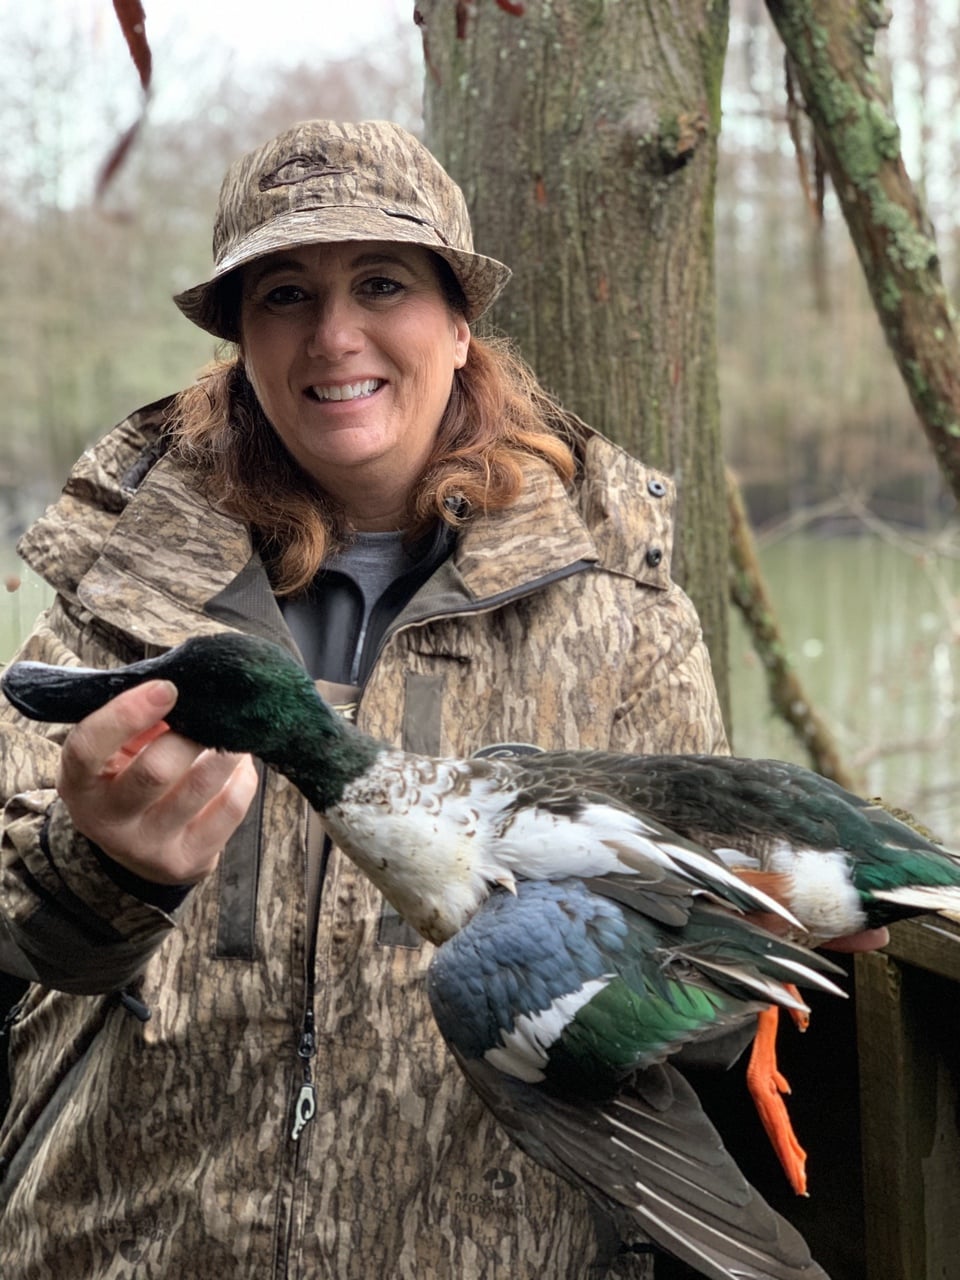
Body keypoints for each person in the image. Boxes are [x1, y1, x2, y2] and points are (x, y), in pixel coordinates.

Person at [0, 119, 880, 1280]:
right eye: (283, 295)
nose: (335, 334)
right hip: (126, 1243)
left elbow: (698, 982)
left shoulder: (615, 609)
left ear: (460, 325)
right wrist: (101, 870)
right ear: (240, 343)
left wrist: (773, 924)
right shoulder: (123, 593)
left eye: (382, 283)